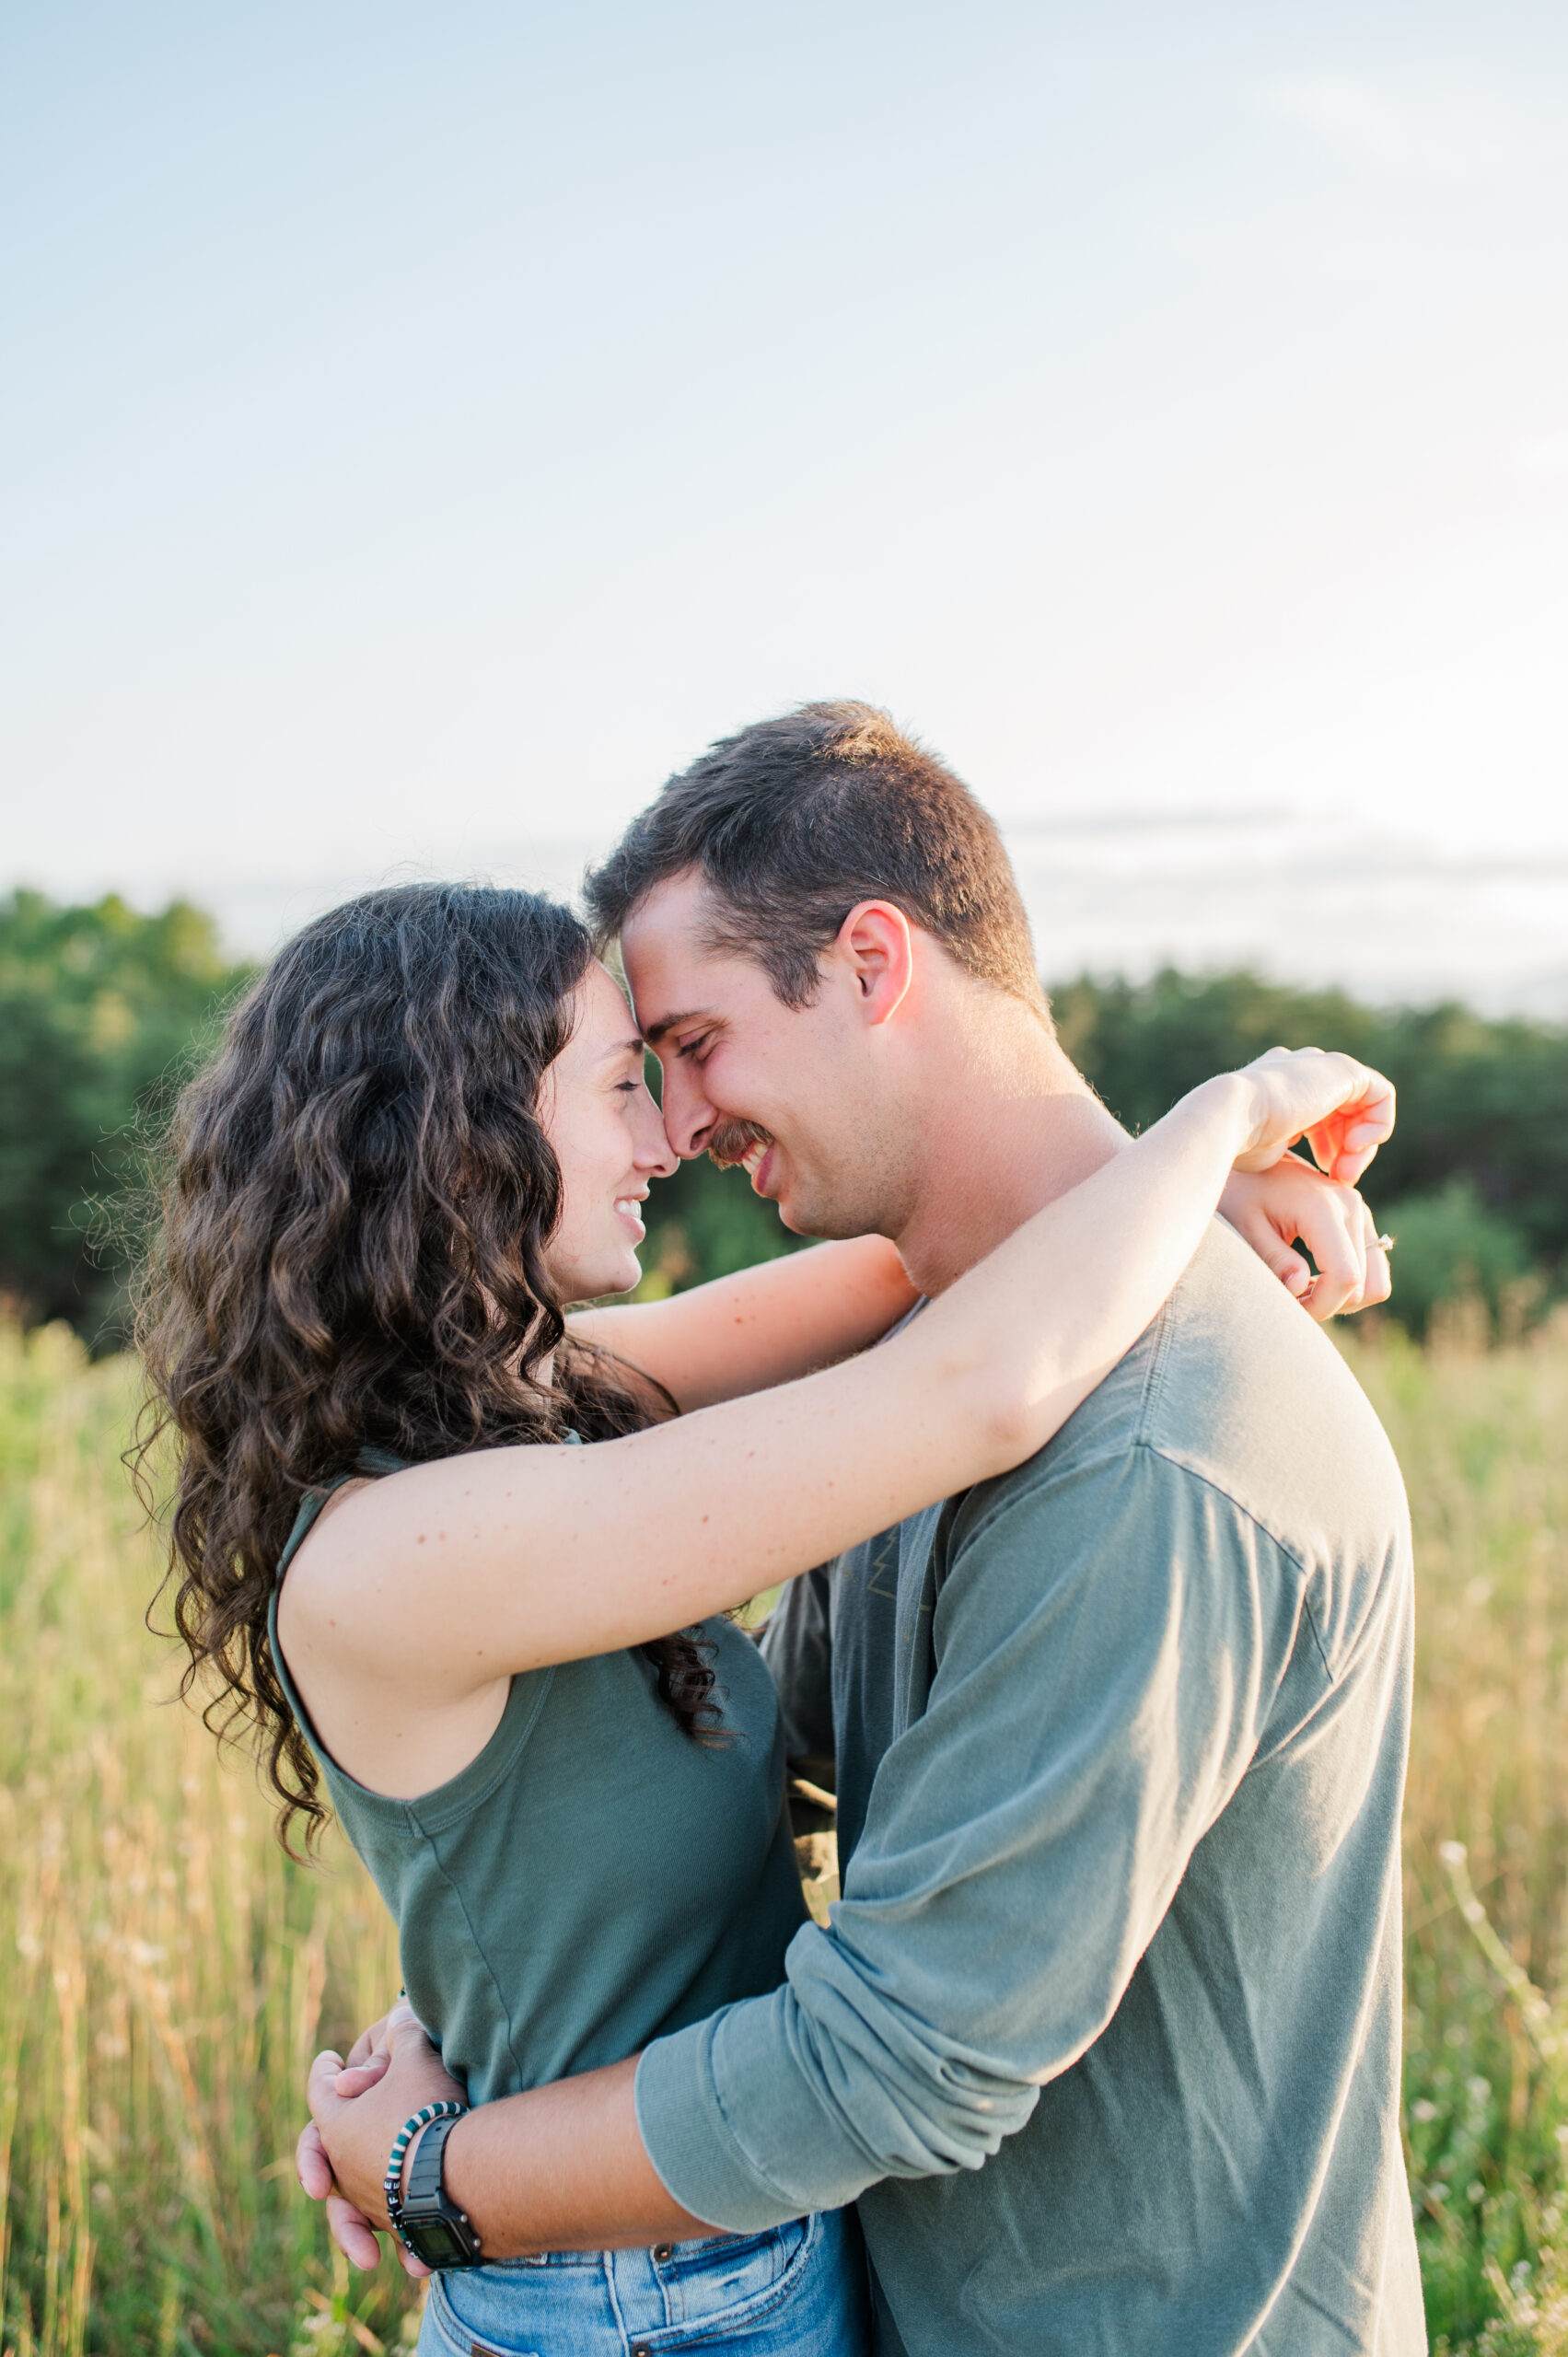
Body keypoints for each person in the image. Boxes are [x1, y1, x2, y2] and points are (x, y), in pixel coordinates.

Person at [302, 705, 1422, 2357]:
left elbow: (900, 2058)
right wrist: (502, 1988)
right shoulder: (945, 1359)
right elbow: (776, 1738)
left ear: (872, 965)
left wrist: (445, 2175)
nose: (678, 1128)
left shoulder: (1146, 1452)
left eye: (688, 1043)